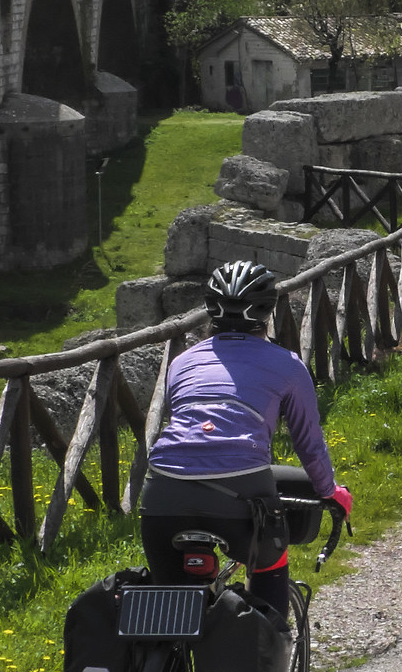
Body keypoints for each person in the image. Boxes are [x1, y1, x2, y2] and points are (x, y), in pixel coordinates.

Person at [141, 260, 351, 621]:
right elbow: (308, 440)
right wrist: (329, 490)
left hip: (162, 486)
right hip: (240, 487)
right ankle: (268, 647)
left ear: (210, 308)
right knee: (271, 558)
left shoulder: (183, 362)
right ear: (269, 311)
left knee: (168, 608)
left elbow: (185, 427)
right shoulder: (287, 364)